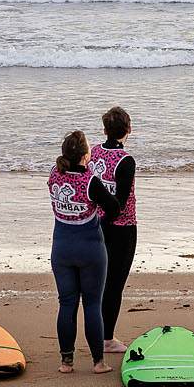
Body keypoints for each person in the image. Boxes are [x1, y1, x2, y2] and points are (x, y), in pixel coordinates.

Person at [48, 130, 119, 374]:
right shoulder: (90, 180)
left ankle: (66, 362)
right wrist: (99, 218)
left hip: (61, 247)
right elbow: (114, 207)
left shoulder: (54, 175)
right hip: (90, 248)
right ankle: (98, 362)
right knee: (92, 304)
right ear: (85, 155)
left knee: (66, 303)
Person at [88, 106, 137, 355]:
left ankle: (99, 333)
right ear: (128, 130)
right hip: (121, 229)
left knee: (100, 283)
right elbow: (121, 202)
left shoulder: (94, 152)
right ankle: (107, 339)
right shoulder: (125, 161)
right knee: (114, 285)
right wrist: (106, 223)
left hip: (96, 223)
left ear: (105, 129)